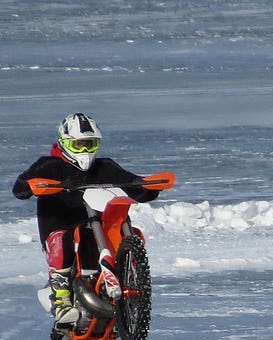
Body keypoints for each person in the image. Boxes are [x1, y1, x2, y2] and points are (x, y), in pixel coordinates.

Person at [12, 113, 162, 327]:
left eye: (90, 144)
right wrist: (30, 186)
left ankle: (131, 279)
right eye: (79, 144)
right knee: (63, 239)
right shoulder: (50, 166)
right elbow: (20, 186)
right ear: (65, 143)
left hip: (100, 226)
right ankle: (61, 298)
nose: (85, 150)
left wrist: (147, 188)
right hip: (61, 228)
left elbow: (131, 182)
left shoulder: (105, 167)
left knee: (133, 232)